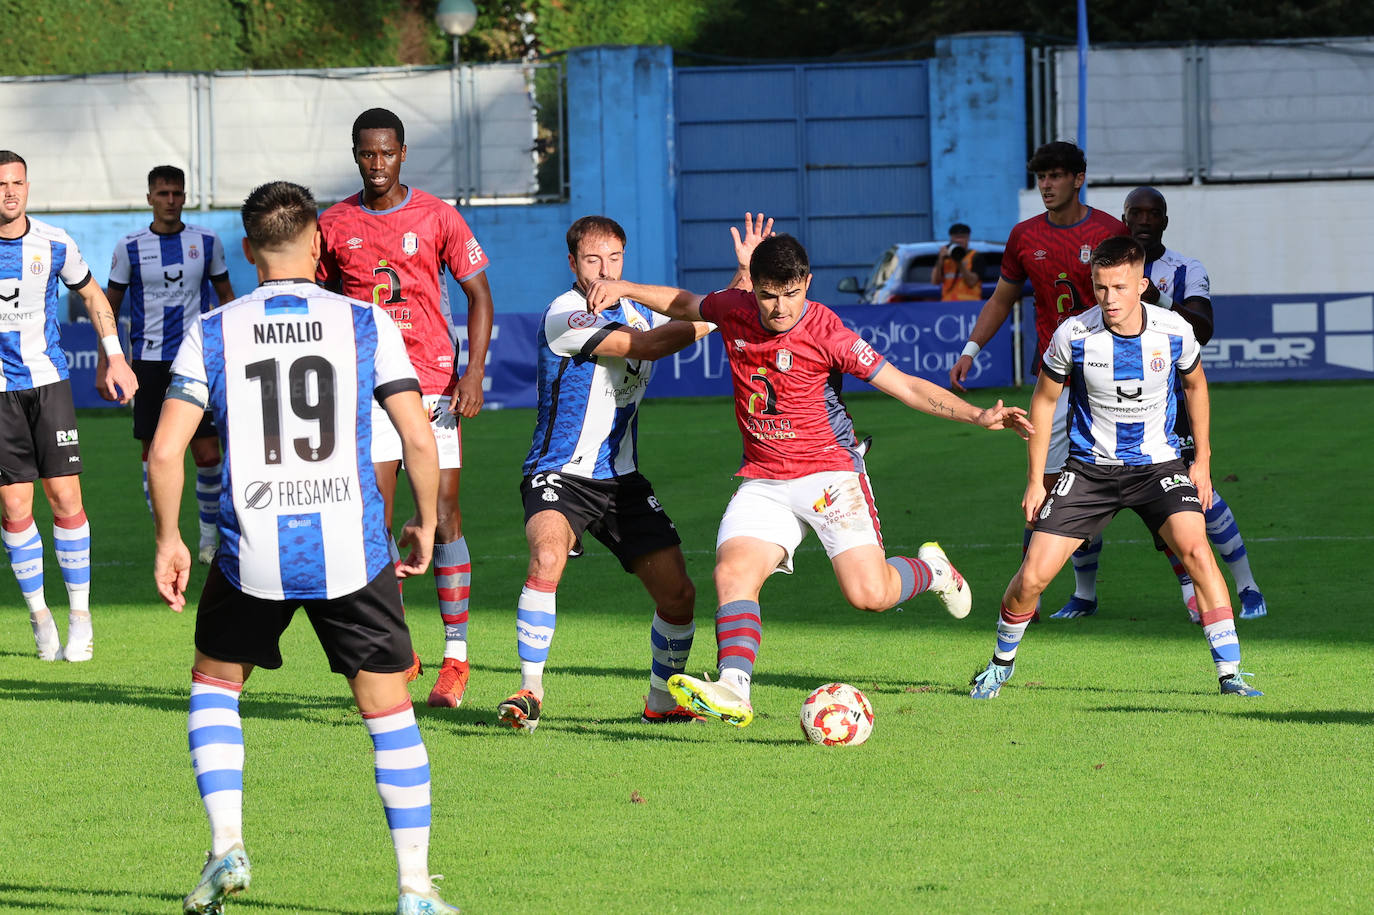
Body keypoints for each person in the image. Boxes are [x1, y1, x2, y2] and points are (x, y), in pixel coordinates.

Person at [148, 180, 458, 915]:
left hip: (251, 550)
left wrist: (171, 539)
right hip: (350, 546)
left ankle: (227, 843)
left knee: (216, 686)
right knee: (388, 712)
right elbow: (418, 435)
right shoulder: (364, 322)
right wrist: (423, 518)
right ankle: (414, 889)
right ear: (319, 243)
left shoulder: (214, 328)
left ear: (250, 251)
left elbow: (166, 452)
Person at [583, 230, 1033, 728]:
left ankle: (933, 571)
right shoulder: (733, 308)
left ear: (807, 284)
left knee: (870, 595)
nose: (780, 308)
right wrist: (623, 287)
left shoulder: (828, 331)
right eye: (769, 295)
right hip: (764, 479)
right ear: (752, 288)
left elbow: (903, 385)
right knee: (732, 573)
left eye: (792, 294)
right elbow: (685, 302)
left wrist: (976, 416)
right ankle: (734, 687)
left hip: (829, 476)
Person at [967, 236, 1261, 700]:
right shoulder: (1073, 334)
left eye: (1120, 287)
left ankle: (1231, 674)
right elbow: (1043, 403)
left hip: (1158, 467)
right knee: (1033, 576)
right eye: (1100, 287)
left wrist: (1202, 461)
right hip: (1089, 471)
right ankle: (1000, 665)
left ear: (1142, 285)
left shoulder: (1174, 330)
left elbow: (1197, 388)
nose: (1109, 299)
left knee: (1197, 552)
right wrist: (1034, 480)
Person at [496, 214, 727, 731]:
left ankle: (660, 702)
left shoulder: (633, 305)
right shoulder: (566, 313)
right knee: (548, 557)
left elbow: (692, 306)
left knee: (680, 595)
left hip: (621, 479)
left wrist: (732, 292)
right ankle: (529, 690)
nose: (603, 270)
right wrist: (718, 318)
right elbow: (645, 346)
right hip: (559, 473)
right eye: (592, 260)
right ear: (572, 262)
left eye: (614, 259)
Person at [317, 107, 495, 705]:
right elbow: (317, 301)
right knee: (374, 522)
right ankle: (399, 649)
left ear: (402, 152)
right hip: (366, 390)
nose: (376, 164)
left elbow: (478, 295)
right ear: (354, 153)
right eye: (366, 153)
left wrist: (472, 371)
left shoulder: (438, 215)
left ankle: (456, 657)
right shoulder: (334, 223)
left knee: (444, 515)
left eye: (386, 152)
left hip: (433, 387)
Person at [1053, 187, 1268, 621]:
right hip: (1099, 404)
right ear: (1125, 218)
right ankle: (1084, 594)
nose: (1145, 221)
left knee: (1195, 495)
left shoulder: (1185, 268)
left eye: (1154, 214)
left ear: (1165, 220)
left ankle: (1245, 584)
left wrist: (1158, 301)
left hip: (1166, 404)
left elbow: (1203, 327)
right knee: (1079, 493)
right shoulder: (1107, 266)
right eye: (1136, 213)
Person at [948, 141, 1128, 615]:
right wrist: (971, 350)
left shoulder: (1109, 231)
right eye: (1040, 177)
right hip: (1057, 381)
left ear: (1078, 179)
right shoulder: (1025, 236)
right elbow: (1001, 299)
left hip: (1113, 378)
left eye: (1055, 176)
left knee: (1145, 480)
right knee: (1047, 489)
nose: (1046, 185)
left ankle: (1193, 592)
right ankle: (1030, 595)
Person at [0, 150, 138, 663]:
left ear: (28, 187)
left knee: (64, 498)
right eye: (0, 184)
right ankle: (40, 617)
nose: (9, 192)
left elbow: (93, 295)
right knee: (15, 506)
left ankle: (81, 615)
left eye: (16, 183)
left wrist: (115, 359)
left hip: (48, 384)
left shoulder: (54, 242)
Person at [105, 165, 235, 564]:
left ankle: (208, 539)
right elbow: (107, 306)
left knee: (208, 454)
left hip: (197, 361)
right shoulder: (129, 247)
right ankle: (169, 532)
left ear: (184, 196)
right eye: (162, 194)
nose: (170, 201)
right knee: (154, 452)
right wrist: (105, 362)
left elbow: (226, 297)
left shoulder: (207, 241)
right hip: (148, 362)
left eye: (177, 193)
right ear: (149, 198)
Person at [929, 222, 982, 300]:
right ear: (951, 239)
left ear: (968, 238)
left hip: (970, 303)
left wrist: (958, 260)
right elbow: (935, 282)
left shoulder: (975, 256)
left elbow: (971, 282)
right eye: (956, 237)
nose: (959, 240)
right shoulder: (945, 257)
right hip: (949, 304)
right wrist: (940, 259)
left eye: (962, 237)